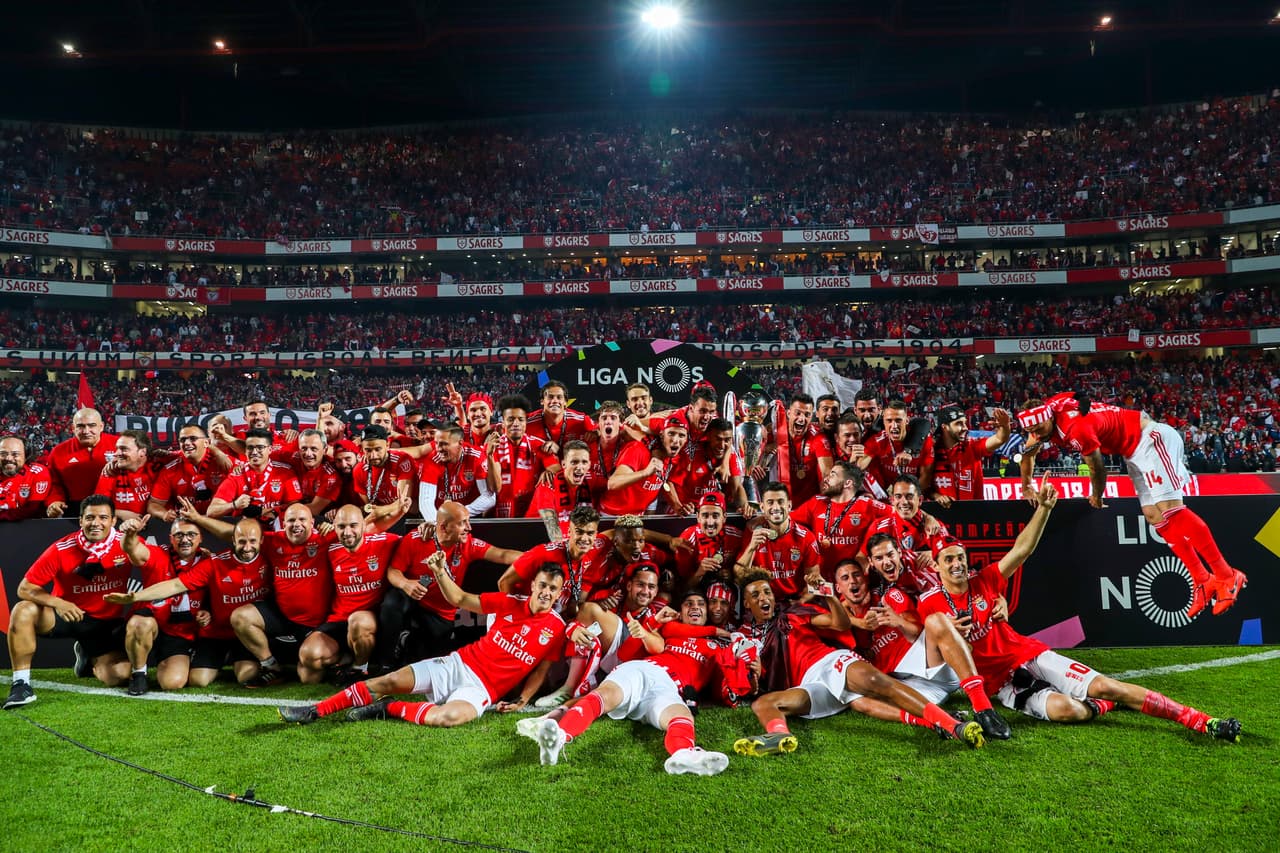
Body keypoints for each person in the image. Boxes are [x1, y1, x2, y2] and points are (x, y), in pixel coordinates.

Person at [917, 483, 1242, 743]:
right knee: (1069, 711)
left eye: (960, 557)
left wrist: (1044, 509)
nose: (957, 564)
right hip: (1001, 684)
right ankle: (1103, 706)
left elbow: (1022, 549)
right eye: (949, 559)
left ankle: (1201, 721)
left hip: (1028, 655)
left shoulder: (986, 580)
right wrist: (950, 635)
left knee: (1108, 686)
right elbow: (932, 652)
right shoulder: (930, 604)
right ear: (936, 565)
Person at [1017, 393, 1247, 618]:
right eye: (1032, 430)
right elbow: (1029, 452)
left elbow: (1097, 467)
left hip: (1151, 439)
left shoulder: (1075, 429)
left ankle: (1227, 575)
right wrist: (1026, 486)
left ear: (1048, 417)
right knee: (1154, 515)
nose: (1037, 434)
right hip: (1132, 450)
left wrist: (1097, 495)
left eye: (1039, 428)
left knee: (1171, 509)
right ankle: (1202, 579)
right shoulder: (1047, 411)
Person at [279, 561, 590, 727]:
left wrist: (523, 699)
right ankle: (315, 711)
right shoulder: (508, 602)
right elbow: (460, 599)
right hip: (458, 664)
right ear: (533, 584)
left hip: (482, 690)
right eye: (542, 585)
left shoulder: (556, 628)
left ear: (559, 592)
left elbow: (541, 669)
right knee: (387, 680)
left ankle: (389, 708)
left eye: (553, 589)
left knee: (448, 718)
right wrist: (440, 572)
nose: (546, 592)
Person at [732, 570, 986, 755]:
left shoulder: (792, 615)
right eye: (756, 594)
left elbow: (840, 624)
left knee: (877, 682)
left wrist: (828, 596)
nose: (764, 597)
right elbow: (750, 684)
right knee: (764, 703)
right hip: (809, 683)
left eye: (767, 591)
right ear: (747, 604)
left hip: (830, 661)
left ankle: (952, 725)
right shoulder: (746, 638)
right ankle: (780, 735)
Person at [521, 590, 732, 776]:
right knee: (605, 696)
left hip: (669, 688)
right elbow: (626, 653)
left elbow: (722, 688)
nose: (695, 607)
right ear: (680, 612)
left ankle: (684, 754)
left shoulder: (718, 648)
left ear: (707, 612)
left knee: (682, 716)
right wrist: (650, 626)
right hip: (643, 671)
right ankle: (559, 738)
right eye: (688, 604)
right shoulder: (667, 631)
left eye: (700, 604)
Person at [848, 545, 1011, 740]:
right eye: (845, 579)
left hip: (934, 661)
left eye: (856, 576)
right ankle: (940, 720)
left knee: (936, 620)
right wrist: (856, 621)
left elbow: (965, 581)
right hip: (913, 685)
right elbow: (828, 621)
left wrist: (997, 598)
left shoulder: (895, 591)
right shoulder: (845, 616)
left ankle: (983, 708)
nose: (853, 582)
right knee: (857, 700)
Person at [109, 516, 267, 693]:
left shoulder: (208, 561)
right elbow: (132, 549)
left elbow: (218, 594)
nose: (185, 539)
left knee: (172, 683)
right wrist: (130, 534)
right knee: (138, 627)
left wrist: (207, 611)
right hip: (151, 624)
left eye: (191, 534)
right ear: (170, 538)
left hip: (179, 633)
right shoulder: (158, 554)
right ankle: (138, 674)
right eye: (179, 535)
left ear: (201, 538)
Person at [4, 495, 131, 708]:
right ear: (80, 520)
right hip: (67, 615)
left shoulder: (126, 545)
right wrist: (58, 603)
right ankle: (21, 684)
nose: (96, 523)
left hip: (104, 624)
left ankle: (87, 658)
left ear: (113, 520)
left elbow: (151, 561)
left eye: (103, 517)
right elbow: (24, 588)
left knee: (120, 674)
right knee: (22, 610)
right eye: (89, 517)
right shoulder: (62, 548)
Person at [380, 501, 521, 669]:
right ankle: (385, 663)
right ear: (444, 527)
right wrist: (405, 584)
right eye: (463, 523)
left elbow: (503, 555)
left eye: (468, 521)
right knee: (391, 604)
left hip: (440, 611)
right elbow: (393, 571)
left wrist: (536, 556)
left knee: (425, 659)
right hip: (413, 598)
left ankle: (407, 641)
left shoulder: (468, 544)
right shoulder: (416, 539)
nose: (469, 528)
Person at [297, 504, 400, 684]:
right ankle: (345, 658)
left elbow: (413, 543)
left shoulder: (384, 542)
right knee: (308, 664)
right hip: (339, 619)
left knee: (357, 622)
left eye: (353, 525)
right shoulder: (330, 548)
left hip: (366, 620)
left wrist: (424, 527)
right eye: (341, 526)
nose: (347, 532)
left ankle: (360, 668)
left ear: (363, 525)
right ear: (334, 527)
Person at [790, 460, 894, 580]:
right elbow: (786, 521)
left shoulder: (867, 505)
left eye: (833, 475)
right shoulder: (816, 502)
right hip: (821, 580)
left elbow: (897, 515)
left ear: (847, 483)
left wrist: (865, 551)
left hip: (852, 581)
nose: (826, 479)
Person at [732, 481, 822, 601]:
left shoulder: (806, 538)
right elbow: (739, 575)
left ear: (789, 505)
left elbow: (814, 582)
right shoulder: (753, 532)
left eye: (780, 502)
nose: (775, 507)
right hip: (762, 601)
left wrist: (800, 603)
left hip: (794, 601)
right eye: (770, 502)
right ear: (762, 507)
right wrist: (752, 547)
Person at [487, 394, 559, 517]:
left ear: (526, 422)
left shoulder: (539, 445)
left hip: (533, 511)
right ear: (503, 423)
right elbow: (495, 488)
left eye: (520, 419)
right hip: (502, 513)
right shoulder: (494, 446)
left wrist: (549, 472)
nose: (516, 423)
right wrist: (489, 456)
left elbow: (557, 469)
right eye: (510, 419)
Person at [207, 428, 303, 522]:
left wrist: (272, 511)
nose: (254, 452)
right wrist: (234, 505)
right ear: (245, 450)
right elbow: (211, 511)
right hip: (245, 528)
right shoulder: (237, 476)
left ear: (270, 449)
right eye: (250, 448)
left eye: (260, 448)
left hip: (276, 527)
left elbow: (295, 505)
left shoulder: (285, 472)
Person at [602, 415, 690, 516]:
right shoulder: (638, 450)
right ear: (662, 435)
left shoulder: (674, 458)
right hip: (612, 515)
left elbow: (665, 480)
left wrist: (677, 506)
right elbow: (612, 483)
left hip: (638, 516)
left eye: (681, 435)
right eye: (671, 434)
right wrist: (645, 473)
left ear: (686, 439)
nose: (675, 440)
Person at [147, 424, 234, 520]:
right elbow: (153, 504)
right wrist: (164, 514)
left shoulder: (225, 462)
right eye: (183, 440)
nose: (187, 443)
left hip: (222, 522)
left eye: (193, 438)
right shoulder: (170, 469)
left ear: (206, 443)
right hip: (185, 523)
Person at [44, 407, 119, 518]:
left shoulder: (119, 445)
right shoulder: (58, 452)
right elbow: (54, 483)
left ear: (101, 426)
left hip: (115, 506)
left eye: (92, 425)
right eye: (80, 426)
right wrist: (55, 501)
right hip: (74, 509)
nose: (86, 431)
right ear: (73, 428)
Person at [931, 404, 1010, 506]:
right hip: (941, 512)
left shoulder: (972, 446)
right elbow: (922, 486)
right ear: (944, 427)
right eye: (959, 424)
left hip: (973, 511)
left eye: (965, 423)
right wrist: (936, 496)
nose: (965, 428)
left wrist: (1005, 426)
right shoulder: (931, 451)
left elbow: (999, 439)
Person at [859, 399, 936, 498]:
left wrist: (908, 497)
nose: (894, 426)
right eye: (889, 421)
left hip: (914, 496)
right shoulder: (877, 441)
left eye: (898, 420)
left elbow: (925, 478)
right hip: (886, 496)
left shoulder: (924, 442)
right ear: (884, 422)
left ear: (907, 420)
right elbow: (859, 468)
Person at [417, 425, 497, 520]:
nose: (438, 449)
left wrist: (460, 513)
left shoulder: (475, 457)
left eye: (444, 444)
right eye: (436, 443)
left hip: (469, 517)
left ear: (460, 443)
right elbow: (425, 502)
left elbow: (489, 497)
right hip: (439, 517)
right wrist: (437, 524)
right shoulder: (432, 461)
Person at [767, 393, 833, 506]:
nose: (802, 419)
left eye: (807, 415)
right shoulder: (775, 433)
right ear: (788, 413)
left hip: (809, 506)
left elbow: (827, 474)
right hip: (779, 504)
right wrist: (766, 450)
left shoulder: (818, 437)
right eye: (797, 413)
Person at [673, 492, 743, 594]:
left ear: (724, 518)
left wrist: (733, 574)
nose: (710, 522)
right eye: (705, 516)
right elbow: (683, 588)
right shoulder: (687, 540)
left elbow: (746, 571)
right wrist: (700, 572)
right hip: (698, 593)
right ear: (698, 517)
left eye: (715, 516)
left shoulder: (737, 536)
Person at [526, 439, 597, 535]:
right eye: (574, 462)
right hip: (536, 536)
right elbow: (552, 530)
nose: (579, 467)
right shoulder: (548, 483)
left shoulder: (592, 481)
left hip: (574, 538)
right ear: (563, 464)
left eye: (584, 462)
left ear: (589, 465)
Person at [273, 428, 342, 518]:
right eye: (304, 448)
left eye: (314, 449)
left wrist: (275, 511)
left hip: (320, 517)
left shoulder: (331, 476)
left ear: (325, 450)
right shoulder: (294, 458)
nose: (308, 454)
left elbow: (314, 509)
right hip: (293, 509)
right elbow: (266, 455)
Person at [351, 425, 415, 516]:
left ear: (387, 445)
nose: (373, 456)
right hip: (381, 516)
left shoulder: (402, 460)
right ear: (362, 448)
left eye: (378, 449)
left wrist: (380, 510)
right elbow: (369, 507)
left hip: (407, 513)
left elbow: (403, 501)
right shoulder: (359, 470)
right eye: (368, 450)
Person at [93, 429, 157, 522]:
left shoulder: (159, 469)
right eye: (117, 448)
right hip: (120, 526)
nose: (116, 453)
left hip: (158, 526)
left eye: (123, 449)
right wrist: (120, 513)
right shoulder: (111, 471)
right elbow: (96, 507)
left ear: (142, 452)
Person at [0, 435, 52, 521]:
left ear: (26, 455)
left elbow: (33, 510)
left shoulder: (37, 473)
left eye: (15, 454)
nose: (8, 458)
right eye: (3, 454)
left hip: (27, 527)